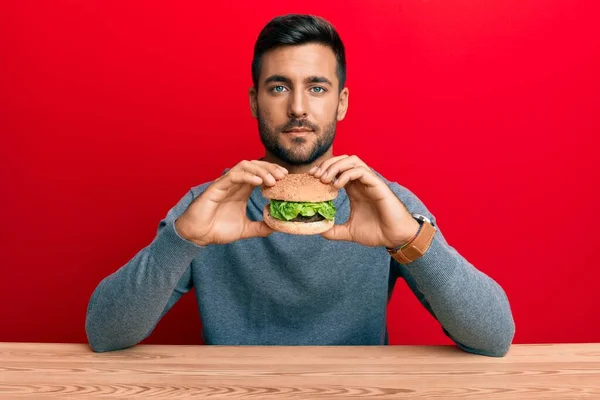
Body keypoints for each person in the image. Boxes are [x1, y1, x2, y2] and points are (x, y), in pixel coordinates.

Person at [85, 14, 515, 356]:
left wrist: (409, 240)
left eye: (317, 87)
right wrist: (183, 240)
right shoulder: (211, 205)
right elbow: (104, 333)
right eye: (278, 87)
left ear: (341, 102)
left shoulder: (386, 204)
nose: (297, 107)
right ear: (255, 101)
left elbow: (493, 336)